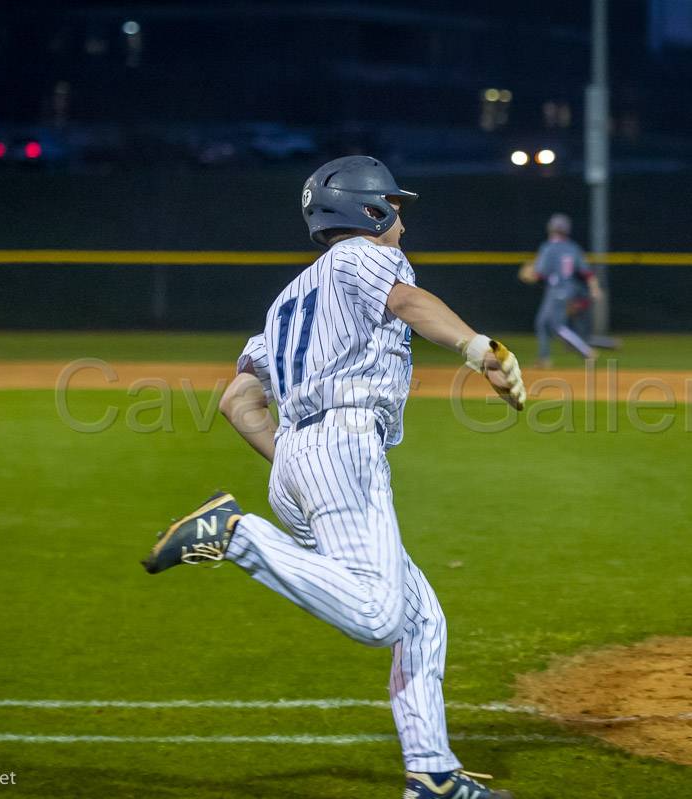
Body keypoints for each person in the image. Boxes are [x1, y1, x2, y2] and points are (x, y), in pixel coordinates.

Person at [141, 155, 525, 799]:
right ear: (366, 210)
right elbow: (406, 300)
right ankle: (234, 535)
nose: (401, 221)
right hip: (341, 443)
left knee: (421, 620)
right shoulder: (360, 259)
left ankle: (431, 775)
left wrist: (298, 461)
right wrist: (477, 347)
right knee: (379, 618)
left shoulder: (289, 298)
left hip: (298, 456)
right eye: (393, 207)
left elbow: (238, 403)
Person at [518, 213, 602, 368]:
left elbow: (538, 273)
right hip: (567, 288)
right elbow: (586, 272)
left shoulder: (549, 247)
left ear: (551, 228)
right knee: (542, 323)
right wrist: (595, 288)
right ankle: (544, 359)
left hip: (557, 289)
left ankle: (586, 351)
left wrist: (527, 275)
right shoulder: (573, 247)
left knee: (557, 326)